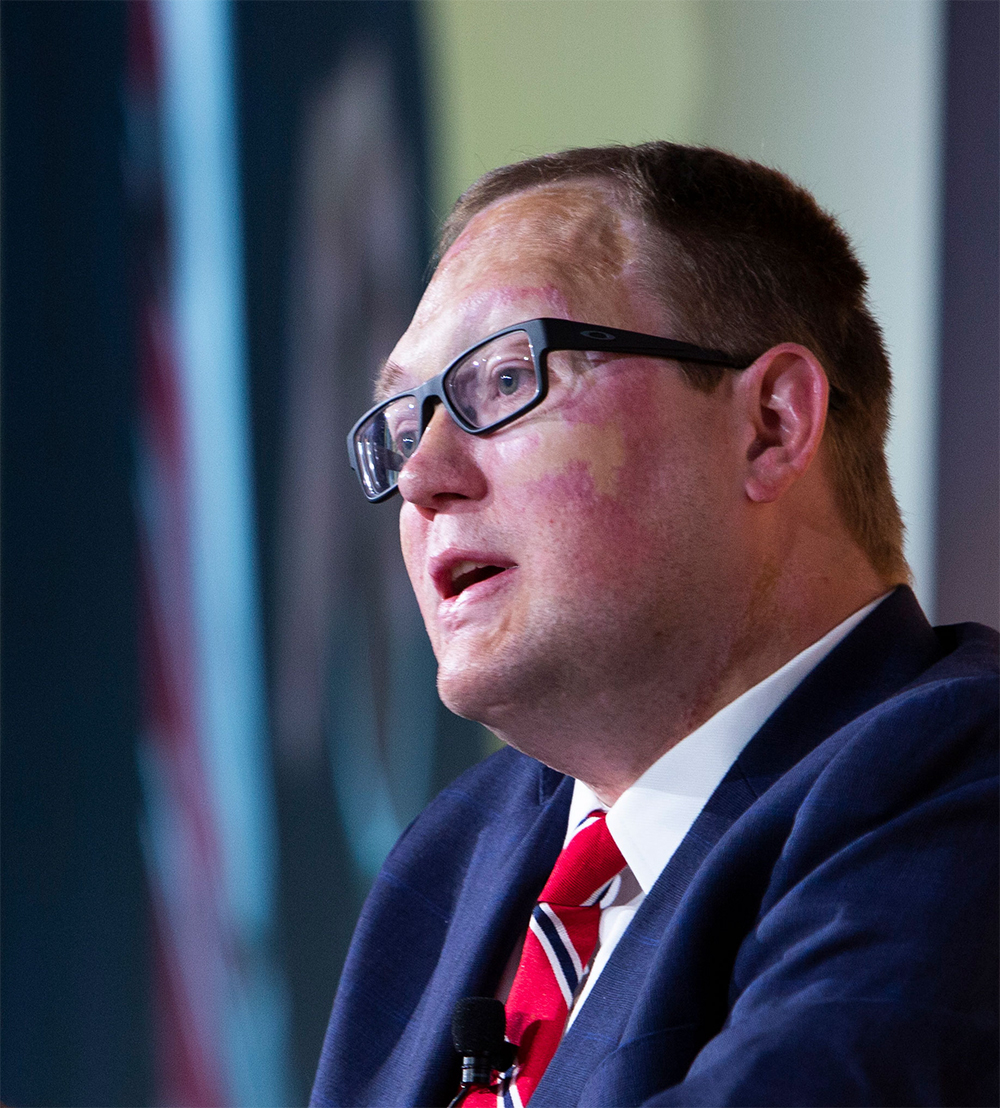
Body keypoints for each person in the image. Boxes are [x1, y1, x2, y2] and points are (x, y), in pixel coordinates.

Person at [310, 142, 998, 1107]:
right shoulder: (453, 857)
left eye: (505, 381)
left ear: (771, 424)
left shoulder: (959, 778)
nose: (423, 479)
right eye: (403, 422)